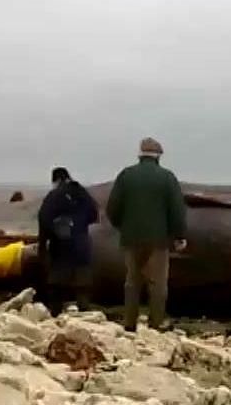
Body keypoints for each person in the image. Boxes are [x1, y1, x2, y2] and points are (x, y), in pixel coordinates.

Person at [106, 137, 187, 331]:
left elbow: (112, 208)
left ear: (140, 154)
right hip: (158, 240)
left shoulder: (126, 175)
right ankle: (156, 323)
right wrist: (179, 236)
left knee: (132, 282)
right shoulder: (167, 177)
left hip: (131, 239)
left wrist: (122, 227)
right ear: (158, 155)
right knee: (157, 283)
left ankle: (129, 323)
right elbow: (177, 209)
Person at [37, 167, 99, 315]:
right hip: (81, 244)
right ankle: (84, 312)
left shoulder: (54, 195)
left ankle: (55, 312)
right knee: (83, 281)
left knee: (57, 282)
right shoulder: (82, 192)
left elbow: (44, 219)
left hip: (61, 245)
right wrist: (79, 224)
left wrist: (42, 247)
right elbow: (93, 214)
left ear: (56, 180)